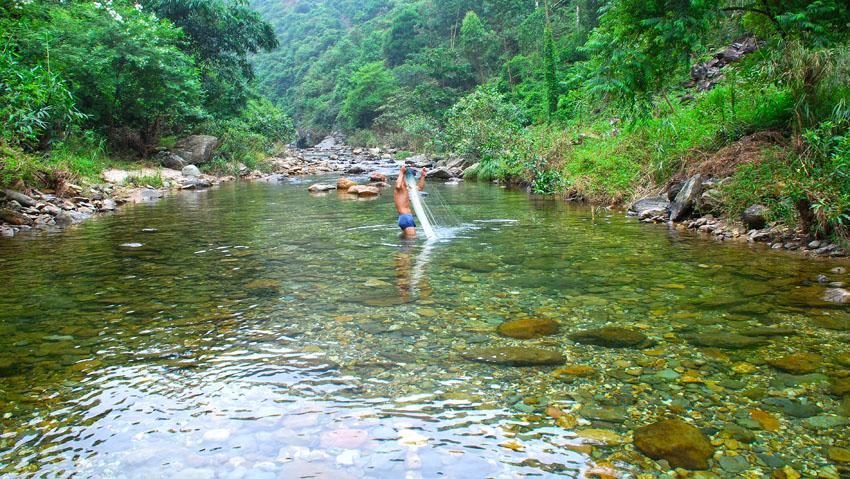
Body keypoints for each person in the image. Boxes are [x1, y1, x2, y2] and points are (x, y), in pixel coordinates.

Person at [394, 165, 426, 237]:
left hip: (406, 217)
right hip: (406, 217)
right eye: (408, 178)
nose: (410, 180)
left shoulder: (408, 188)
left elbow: (420, 188)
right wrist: (401, 172)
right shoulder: (401, 187)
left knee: (406, 239)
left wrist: (423, 176)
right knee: (411, 241)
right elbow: (397, 185)